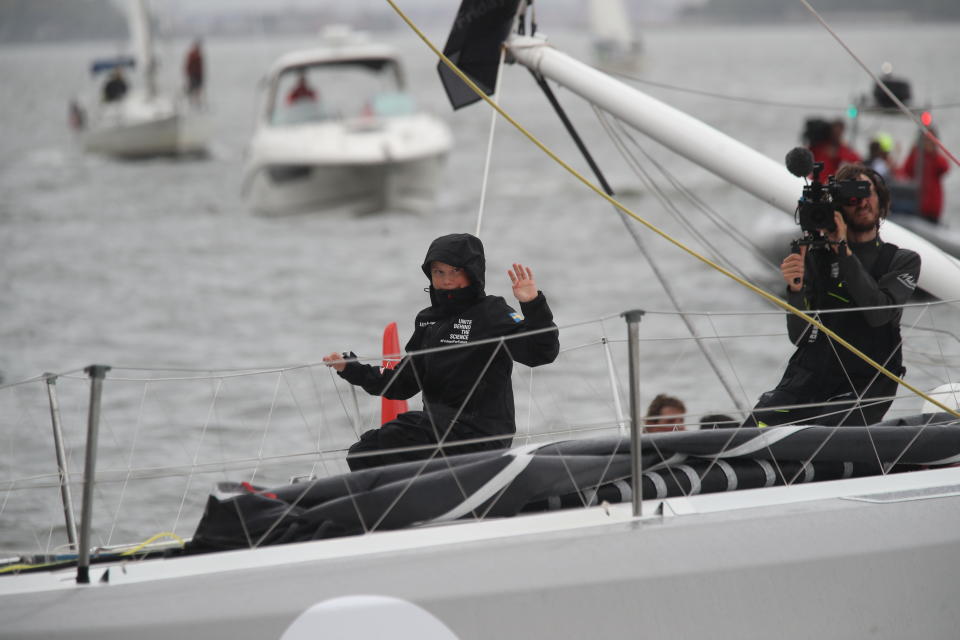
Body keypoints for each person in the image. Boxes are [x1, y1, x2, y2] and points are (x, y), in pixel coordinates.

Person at [324, 233, 560, 471]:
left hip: (480, 435)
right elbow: (402, 383)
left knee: (376, 449)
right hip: (436, 429)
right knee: (363, 453)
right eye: (439, 272)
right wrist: (351, 368)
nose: (447, 280)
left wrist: (532, 304)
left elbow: (540, 353)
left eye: (455, 271)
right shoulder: (428, 321)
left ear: (472, 272)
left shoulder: (491, 312)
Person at [744, 164, 921, 427]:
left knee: (818, 433)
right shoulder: (817, 260)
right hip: (808, 380)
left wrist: (842, 249)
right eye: (851, 197)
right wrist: (795, 289)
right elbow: (800, 336)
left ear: (881, 199)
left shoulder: (903, 261)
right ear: (837, 209)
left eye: (866, 192)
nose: (861, 202)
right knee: (755, 427)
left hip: (864, 386)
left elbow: (879, 314)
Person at [900, 128, 950, 224]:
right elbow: (906, 170)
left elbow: (945, 167)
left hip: (932, 207)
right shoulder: (916, 156)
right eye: (925, 140)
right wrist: (914, 152)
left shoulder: (936, 158)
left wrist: (933, 153)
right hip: (917, 205)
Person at [184, 39, 204, 105]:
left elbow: (201, 67)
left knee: (197, 89)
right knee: (193, 89)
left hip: (198, 75)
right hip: (193, 74)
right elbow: (188, 65)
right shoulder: (192, 55)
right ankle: (192, 101)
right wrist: (188, 74)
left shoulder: (198, 55)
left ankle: (197, 101)